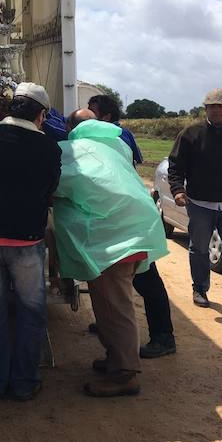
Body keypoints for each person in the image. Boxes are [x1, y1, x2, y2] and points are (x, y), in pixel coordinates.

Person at [53, 110, 168, 397]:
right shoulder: (116, 147)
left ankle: (126, 374)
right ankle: (116, 359)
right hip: (132, 233)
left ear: (71, 128)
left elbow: (60, 184)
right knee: (107, 306)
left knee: (116, 308)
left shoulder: (77, 151)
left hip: (111, 242)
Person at [0, 82, 61, 401]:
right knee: (31, 313)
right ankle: (24, 383)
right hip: (26, 243)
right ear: (41, 115)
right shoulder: (48, 148)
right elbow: (50, 193)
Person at [88, 93, 175, 358]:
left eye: (92, 114)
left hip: (130, 217)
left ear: (107, 117)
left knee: (146, 280)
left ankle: (163, 336)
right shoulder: (112, 134)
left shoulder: (114, 136)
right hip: (121, 214)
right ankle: (111, 325)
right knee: (118, 281)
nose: (88, 119)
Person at [168, 88, 222, 308]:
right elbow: (175, 165)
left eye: (220, 106)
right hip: (200, 203)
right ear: (205, 109)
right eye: (211, 106)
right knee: (200, 249)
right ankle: (200, 289)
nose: (215, 110)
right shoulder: (191, 133)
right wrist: (177, 190)